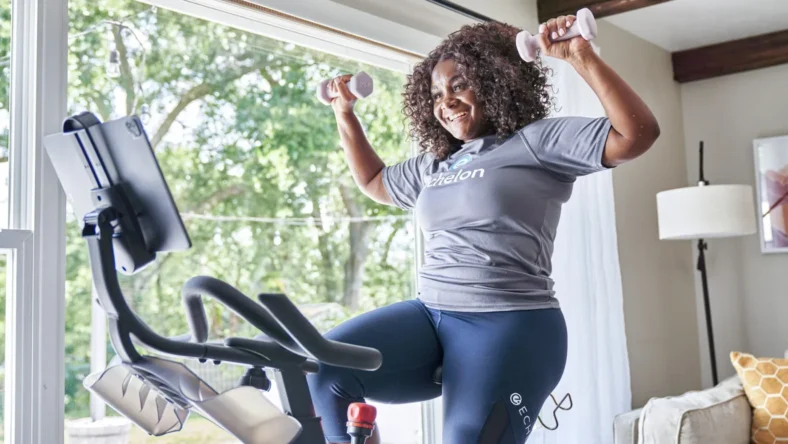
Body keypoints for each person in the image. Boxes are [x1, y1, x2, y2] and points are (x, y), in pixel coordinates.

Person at [307, 13, 659, 444]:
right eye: (436, 93)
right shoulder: (436, 162)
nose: (446, 102)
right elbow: (375, 182)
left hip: (510, 325)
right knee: (327, 369)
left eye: (459, 86)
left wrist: (579, 55)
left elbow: (635, 134)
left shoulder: (535, 141)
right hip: (430, 315)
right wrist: (344, 113)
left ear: (497, 81)